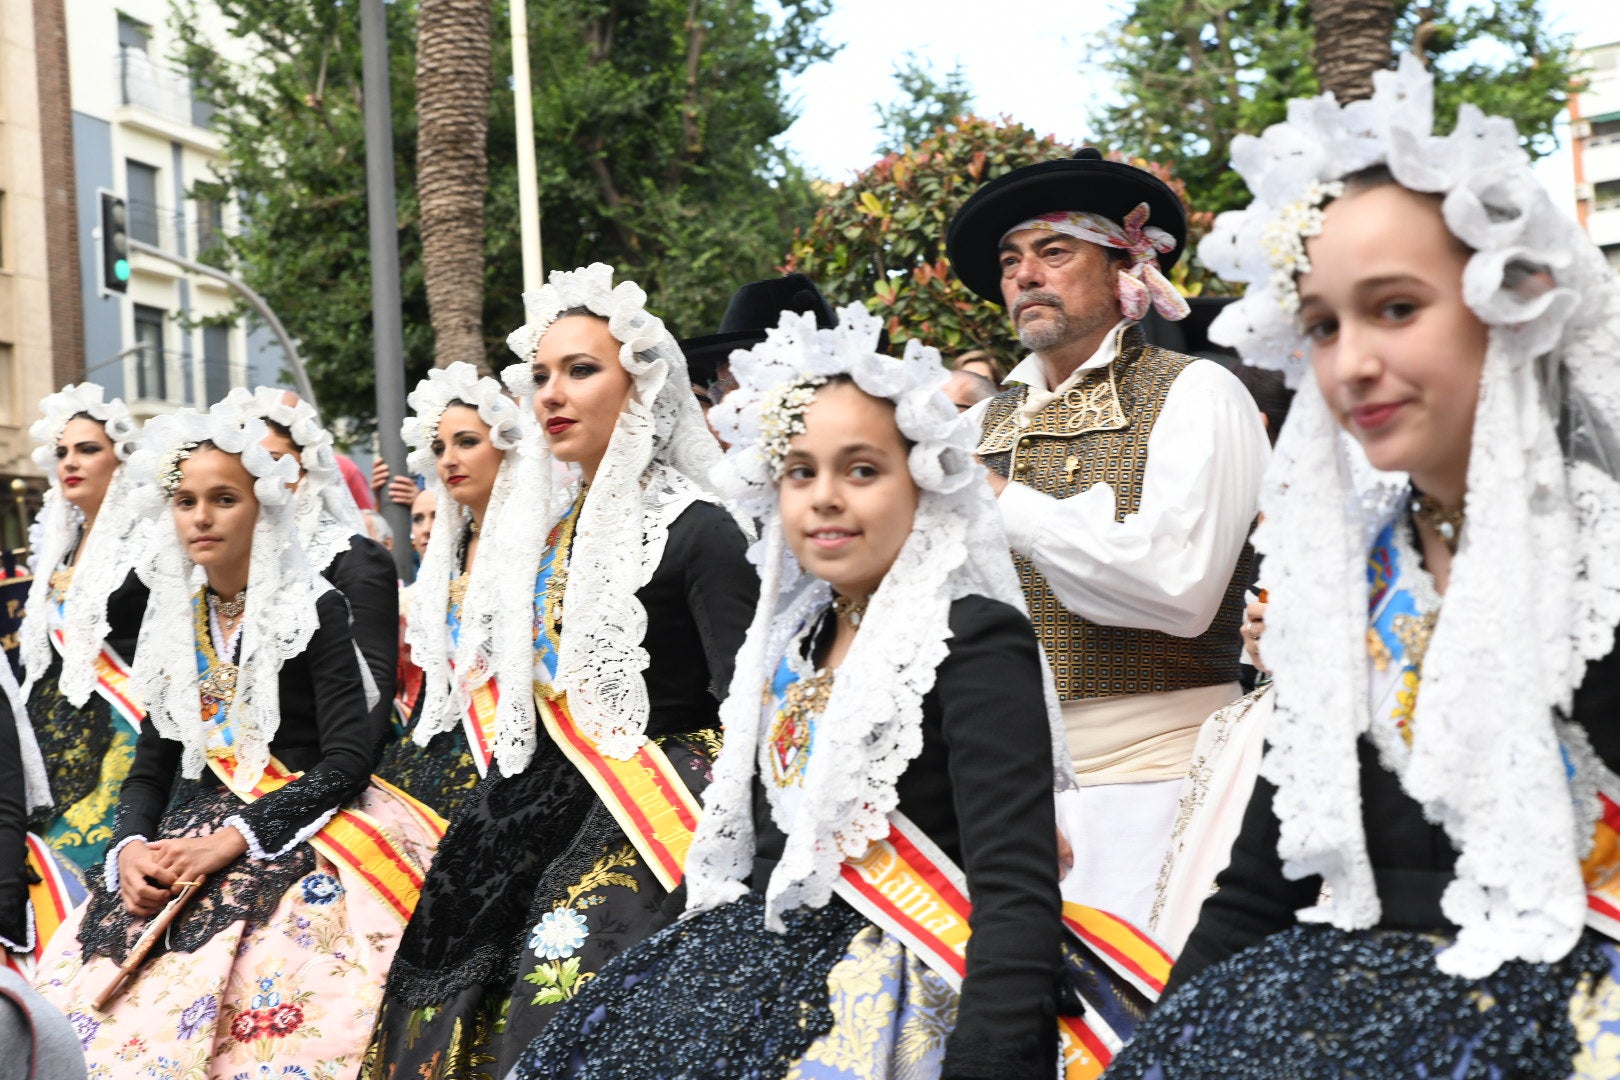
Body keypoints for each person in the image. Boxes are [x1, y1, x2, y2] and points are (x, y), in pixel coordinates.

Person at [1106, 57, 1620, 1078]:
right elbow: (1262, 882)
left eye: (1394, 309)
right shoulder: (1349, 576)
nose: (1350, 362)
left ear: (1509, 304)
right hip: (1337, 1002)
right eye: (1323, 325)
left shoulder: (1602, 556)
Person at [508, 304, 1068, 1080]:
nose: (825, 497)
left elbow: (1014, 885)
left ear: (926, 484)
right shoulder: (794, 642)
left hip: (902, 983)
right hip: (763, 963)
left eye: (862, 469)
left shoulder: (972, 637)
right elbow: (756, 847)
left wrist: (993, 1057)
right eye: (801, 471)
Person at [363, 264, 758, 1077]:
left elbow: (750, 705)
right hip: (534, 803)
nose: (551, 393)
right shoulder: (543, 535)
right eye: (540, 374)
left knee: (566, 978)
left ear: (641, 385)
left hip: (657, 810)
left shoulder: (702, 529)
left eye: (581, 370)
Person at [32, 409, 439, 1078]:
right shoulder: (172, 617)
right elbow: (150, 765)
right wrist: (129, 849)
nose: (202, 517)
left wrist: (238, 837)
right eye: (186, 501)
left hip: (307, 827)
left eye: (224, 500)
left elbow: (347, 760)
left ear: (264, 507)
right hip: (188, 827)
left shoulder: (315, 607)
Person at [946, 149, 1270, 926]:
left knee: (1142, 1025)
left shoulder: (1197, 393)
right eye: (1011, 260)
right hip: (1007, 803)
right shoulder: (966, 433)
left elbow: (1178, 592)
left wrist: (1001, 498)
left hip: (1167, 788)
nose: (1025, 274)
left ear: (1126, 266)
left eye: (1054, 251)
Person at [373, 362, 526, 817]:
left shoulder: (538, 540)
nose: (448, 460)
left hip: (512, 753)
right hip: (443, 740)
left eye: (467, 442)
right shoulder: (451, 548)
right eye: (439, 448)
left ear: (506, 447)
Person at [217, 387, 399, 757]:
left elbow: (374, 686)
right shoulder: (227, 564)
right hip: (231, 762)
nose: (263, 480)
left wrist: (335, 779)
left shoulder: (354, 556)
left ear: (308, 470)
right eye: (249, 468)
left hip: (319, 764)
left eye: (275, 462)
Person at [13, 384, 147, 883]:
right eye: (63, 451)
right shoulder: (58, 550)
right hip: (58, 735)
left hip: (129, 734)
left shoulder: (151, 544)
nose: (71, 461)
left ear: (121, 460)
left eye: (88, 449)